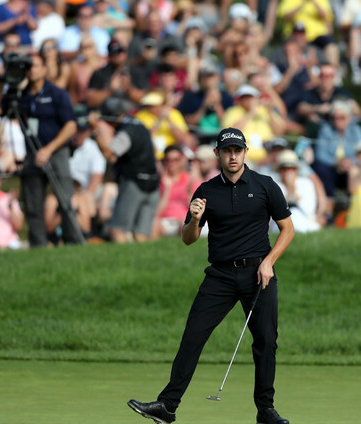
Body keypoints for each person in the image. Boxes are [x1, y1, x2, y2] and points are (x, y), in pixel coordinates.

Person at [127, 127, 294, 424]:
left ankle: (265, 410)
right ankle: (167, 406)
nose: (233, 156)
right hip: (220, 276)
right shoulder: (206, 190)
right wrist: (194, 219)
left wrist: (269, 261)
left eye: (238, 150)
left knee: (266, 341)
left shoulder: (265, 185)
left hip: (259, 273)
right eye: (227, 151)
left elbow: (287, 229)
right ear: (217, 153)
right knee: (193, 335)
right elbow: (188, 238)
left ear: (246, 152)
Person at [1, 52, 82, 247]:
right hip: (32, 153)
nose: (31, 70)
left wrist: (49, 149)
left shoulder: (57, 94)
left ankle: (73, 241)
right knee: (32, 204)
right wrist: (3, 86)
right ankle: (38, 245)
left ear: (45, 69)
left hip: (56, 152)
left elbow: (71, 126)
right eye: (27, 67)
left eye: (35, 65)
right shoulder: (20, 96)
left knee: (65, 200)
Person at [89, 100, 160, 243]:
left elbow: (109, 155)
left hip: (134, 184)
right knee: (141, 234)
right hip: (152, 184)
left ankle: (123, 258)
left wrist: (95, 131)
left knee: (118, 230)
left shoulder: (126, 132)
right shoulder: (140, 125)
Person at [151, 145, 201, 239]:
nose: (172, 163)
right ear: (164, 161)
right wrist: (167, 189)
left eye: (176, 159)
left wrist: (189, 189)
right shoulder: (159, 181)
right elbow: (157, 213)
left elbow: (196, 208)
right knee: (154, 222)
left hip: (182, 220)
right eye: (168, 160)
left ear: (182, 160)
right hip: (163, 221)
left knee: (184, 223)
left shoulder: (190, 180)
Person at [275, 148, 321, 233]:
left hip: (304, 220)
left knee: (295, 214)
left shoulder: (306, 183)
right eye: (284, 169)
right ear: (280, 170)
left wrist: (292, 190)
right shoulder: (275, 185)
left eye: (291, 168)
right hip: (281, 224)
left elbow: (309, 210)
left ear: (296, 170)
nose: (288, 172)